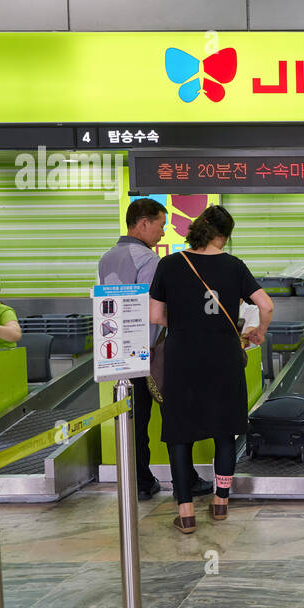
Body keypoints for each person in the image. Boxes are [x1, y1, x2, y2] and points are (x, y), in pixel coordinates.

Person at [149, 205, 273, 533]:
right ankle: (220, 503)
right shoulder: (234, 266)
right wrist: (258, 332)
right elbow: (266, 304)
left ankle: (186, 511)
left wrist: (185, 321)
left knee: (179, 434)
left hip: (182, 359)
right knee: (224, 430)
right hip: (223, 359)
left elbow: (155, 316)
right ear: (224, 235)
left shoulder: (170, 264)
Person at [98, 197, 212, 502]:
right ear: (144, 223)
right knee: (175, 416)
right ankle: (184, 480)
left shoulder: (107, 257)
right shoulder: (148, 260)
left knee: (134, 419)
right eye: (160, 226)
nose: (162, 233)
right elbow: (156, 308)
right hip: (152, 350)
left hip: (118, 349)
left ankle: (141, 481)